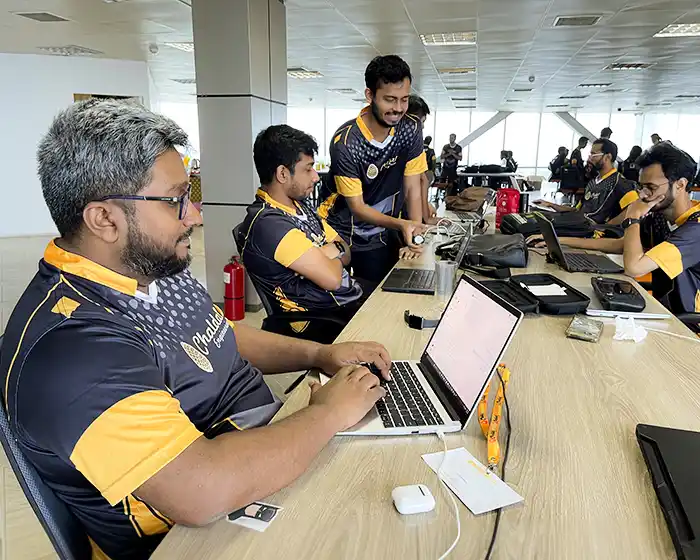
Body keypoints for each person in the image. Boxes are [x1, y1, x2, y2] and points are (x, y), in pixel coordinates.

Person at [0, 100, 392, 560]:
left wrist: (320, 355)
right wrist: (327, 414)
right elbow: (201, 491)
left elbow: (220, 335)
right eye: (175, 200)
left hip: (262, 453)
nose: (196, 215)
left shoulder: (147, 266)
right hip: (205, 534)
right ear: (103, 219)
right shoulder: (73, 349)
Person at [528, 142, 700, 316]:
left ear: (680, 185)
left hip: (688, 323)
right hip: (664, 311)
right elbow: (621, 244)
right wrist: (559, 241)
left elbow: (634, 268)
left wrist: (633, 217)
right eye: (641, 187)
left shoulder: (695, 229)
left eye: (651, 187)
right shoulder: (660, 217)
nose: (642, 194)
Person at [237, 125, 366, 343]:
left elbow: (345, 248)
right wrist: (331, 253)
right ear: (282, 174)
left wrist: (325, 253)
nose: (316, 177)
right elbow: (333, 279)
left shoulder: (300, 207)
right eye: (308, 169)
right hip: (324, 319)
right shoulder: (269, 224)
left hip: (349, 300)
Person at [319, 55, 428, 283]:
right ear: (370, 95)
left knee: (387, 285)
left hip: (381, 229)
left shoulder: (411, 128)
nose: (398, 109)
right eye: (390, 100)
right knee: (347, 292)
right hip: (342, 228)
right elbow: (357, 208)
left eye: (404, 99)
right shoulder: (347, 142)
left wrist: (415, 233)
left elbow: (412, 188)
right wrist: (403, 224)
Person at [534, 138, 638, 225]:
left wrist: (605, 228)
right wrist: (550, 205)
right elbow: (577, 210)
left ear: (607, 157)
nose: (589, 158)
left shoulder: (621, 184)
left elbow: (634, 210)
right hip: (579, 224)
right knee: (539, 218)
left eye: (594, 154)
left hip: (591, 232)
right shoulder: (592, 183)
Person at [407, 94, 439, 226]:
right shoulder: (413, 143)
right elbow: (422, 181)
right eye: (422, 122)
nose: (422, 127)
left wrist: (425, 208)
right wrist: (425, 218)